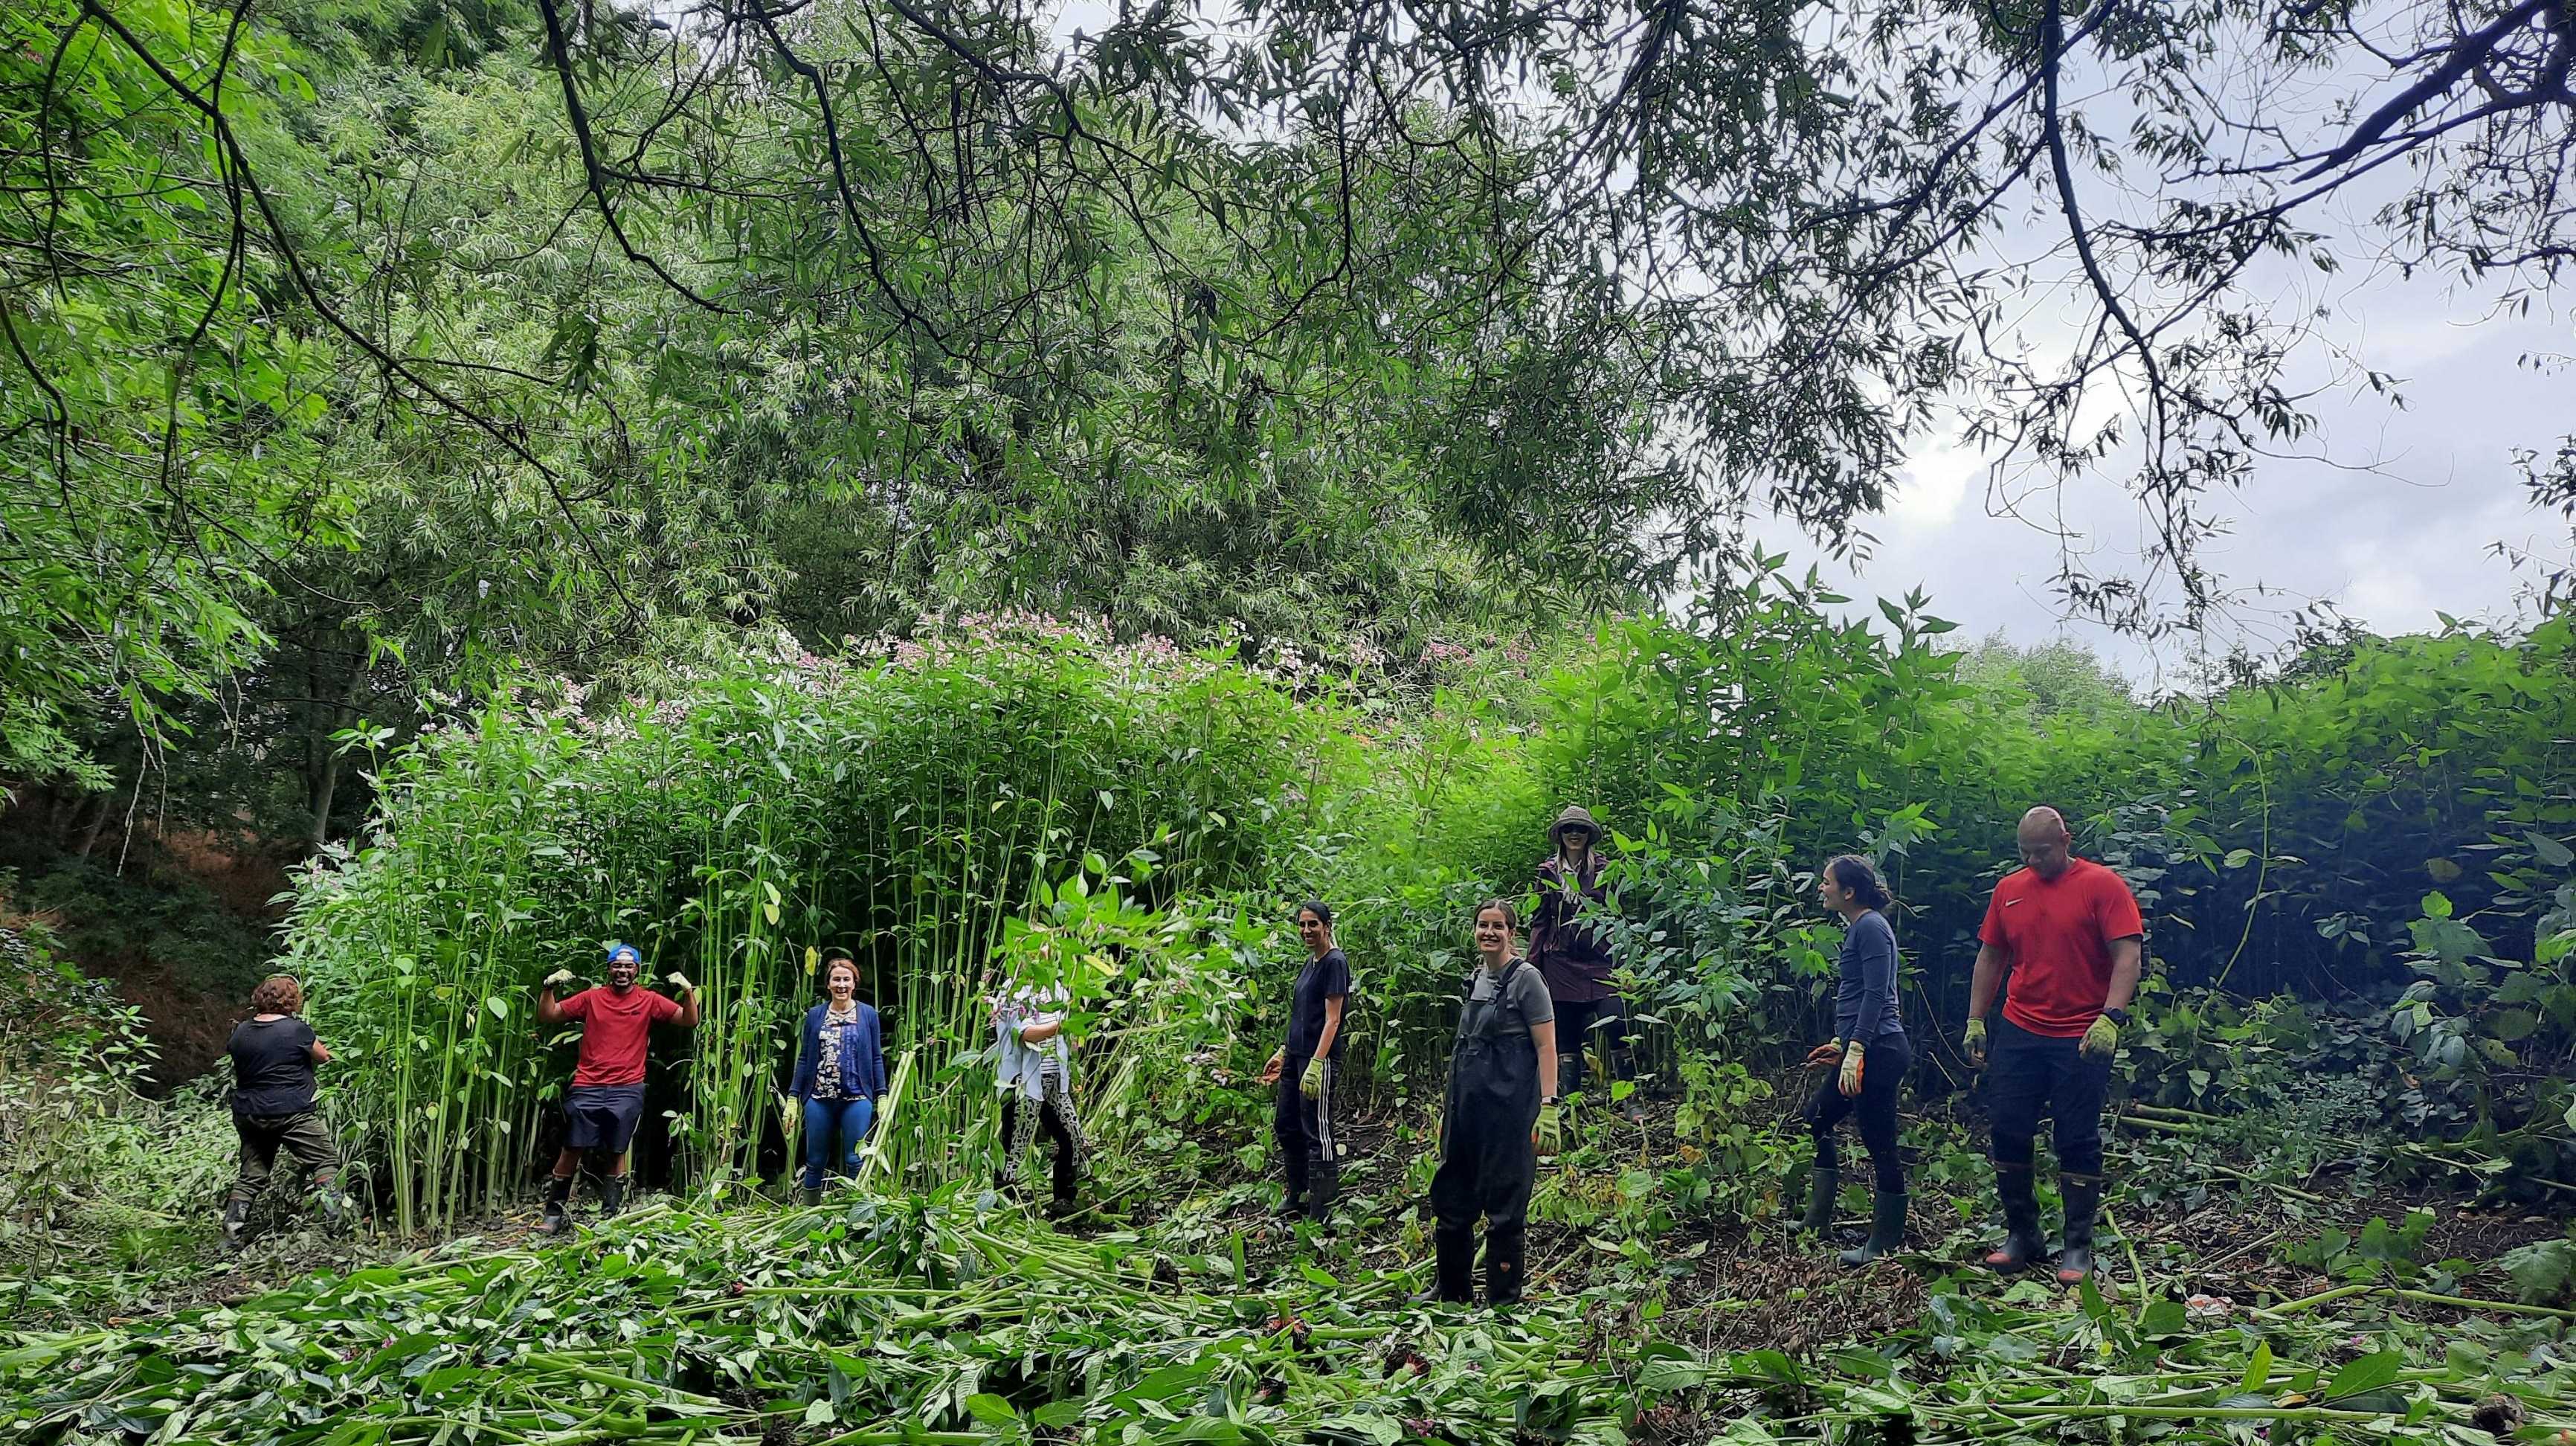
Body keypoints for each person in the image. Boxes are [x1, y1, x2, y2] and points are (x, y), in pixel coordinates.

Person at [1963, 807, 2145, 1284]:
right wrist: (1976, 1020)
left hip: (2081, 1031)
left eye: (2041, 852)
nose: (2033, 861)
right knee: (2007, 1128)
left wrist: (2111, 1017)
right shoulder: (2010, 890)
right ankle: (2022, 1235)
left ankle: (2078, 1248)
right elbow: (1992, 954)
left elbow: (2127, 953)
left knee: (2077, 1136)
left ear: (2065, 839)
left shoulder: (2102, 886)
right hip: (2021, 1028)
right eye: (2025, 852)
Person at [1426, 900, 1562, 1307]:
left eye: (1498, 926)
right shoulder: (1476, 979)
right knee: (1451, 1198)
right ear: (1474, 931)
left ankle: (1503, 1302)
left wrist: (1549, 1105)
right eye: (1483, 925)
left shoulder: (1527, 980)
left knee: (1504, 1206)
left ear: (1512, 933)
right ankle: (1451, 1291)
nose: (1489, 932)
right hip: (1467, 1109)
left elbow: (1548, 1046)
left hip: (1508, 1112)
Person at [534, 942, 701, 1233]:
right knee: (572, 1146)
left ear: (636, 970)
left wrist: (688, 992)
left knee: (616, 1150)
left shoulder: (648, 999)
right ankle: (553, 1214)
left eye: (628, 966)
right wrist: (548, 987)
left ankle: (611, 1215)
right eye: (617, 966)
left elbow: (689, 1020)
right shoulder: (592, 997)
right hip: (588, 1083)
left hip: (627, 1086)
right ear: (609, 969)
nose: (622, 971)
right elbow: (550, 1015)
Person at [1797, 855, 1913, 1265]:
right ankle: (1818, 1219)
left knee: (1879, 1141)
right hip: (1865, 1046)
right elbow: (1859, 994)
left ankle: (1884, 1244)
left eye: (1826, 882)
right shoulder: (1860, 928)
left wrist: (1859, 1047)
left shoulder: (1871, 927)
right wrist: (1842, 1044)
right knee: (1816, 1117)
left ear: (1849, 891)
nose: (1821, 889)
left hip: (1880, 1050)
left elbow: (1877, 994)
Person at [1530, 804, 1638, 1119]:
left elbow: (1618, 917)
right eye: (1568, 830)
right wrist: (1533, 969)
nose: (1574, 834)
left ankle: (1631, 1098)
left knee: (1617, 1023)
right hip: (1560, 963)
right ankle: (1572, 1104)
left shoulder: (1606, 869)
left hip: (1600, 960)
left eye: (1580, 829)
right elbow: (1540, 921)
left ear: (1589, 835)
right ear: (1560, 836)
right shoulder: (1547, 871)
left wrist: (1624, 963)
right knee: (1567, 1035)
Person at [222, 974, 346, 1248]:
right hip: (291, 1112)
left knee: (252, 1173)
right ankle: (337, 1226)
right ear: (291, 1001)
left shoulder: (241, 1031)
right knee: (324, 1161)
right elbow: (324, 1057)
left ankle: (231, 1236)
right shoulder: (296, 1030)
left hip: (249, 1113)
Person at [1259, 901, 1352, 1222]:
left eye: (1313, 924)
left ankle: (1324, 1207)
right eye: (1302, 925)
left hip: (1317, 1060)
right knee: (1287, 1125)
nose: (1307, 931)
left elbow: (1332, 1020)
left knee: (1317, 1130)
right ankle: (1297, 1193)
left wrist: (1317, 1063)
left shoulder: (1334, 963)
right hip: (1295, 1057)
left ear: (1326, 926)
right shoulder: (1310, 963)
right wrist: (1284, 1052)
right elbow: (1302, 1016)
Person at [790, 950, 888, 1205]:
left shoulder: (868, 1015)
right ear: (828, 984)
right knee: (814, 1161)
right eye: (836, 980)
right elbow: (804, 1058)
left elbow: (876, 1058)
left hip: (857, 1098)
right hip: (819, 1098)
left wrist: (882, 1094)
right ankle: (808, 1216)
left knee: (856, 1160)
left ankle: (858, 1217)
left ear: (854, 984)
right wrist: (793, 1096)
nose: (841, 985)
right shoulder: (815, 1015)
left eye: (847, 980)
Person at [992, 974, 1089, 1215]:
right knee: (1014, 1146)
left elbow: (1071, 1032)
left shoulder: (1058, 990)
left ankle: (1063, 1201)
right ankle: (1002, 1205)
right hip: (1023, 1082)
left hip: (1055, 1079)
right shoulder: (1013, 991)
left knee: (1070, 1137)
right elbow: (1022, 1034)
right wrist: (1060, 1028)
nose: (1043, 950)